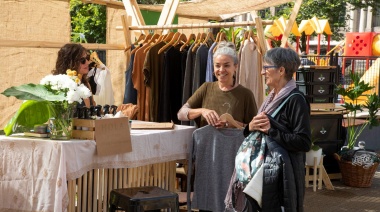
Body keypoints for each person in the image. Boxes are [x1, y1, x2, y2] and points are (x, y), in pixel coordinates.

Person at [231, 47, 311, 212]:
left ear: (281, 70)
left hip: (282, 178)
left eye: (266, 67)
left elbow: (303, 142)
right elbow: (257, 132)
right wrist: (250, 127)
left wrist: (270, 131)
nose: (262, 72)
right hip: (265, 173)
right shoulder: (271, 98)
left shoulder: (296, 100)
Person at [177, 41, 257, 128]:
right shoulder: (206, 88)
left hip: (233, 141)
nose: (221, 70)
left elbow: (254, 128)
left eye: (226, 65)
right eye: (217, 66)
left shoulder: (245, 94)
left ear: (235, 67)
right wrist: (202, 111)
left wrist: (233, 124)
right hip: (205, 141)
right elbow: (181, 114)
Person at [52, 43, 96, 108]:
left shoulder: (85, 83)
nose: (87, 62)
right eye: (82, 60)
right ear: (70, 63)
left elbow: (92, 109)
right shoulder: (60, 86)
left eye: (87, 58)